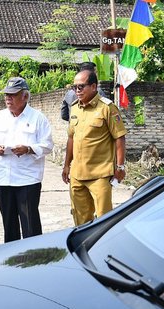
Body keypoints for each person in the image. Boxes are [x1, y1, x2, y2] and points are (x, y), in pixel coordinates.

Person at [0, 77, 53, 243]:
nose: (8, 98)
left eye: (13, 95)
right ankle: (12, 261)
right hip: (3, 178)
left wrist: (28, 149)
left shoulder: (38, 118)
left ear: (25, 97)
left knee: (30, 225)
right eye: (7, 94)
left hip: (27, 179)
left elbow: (48, 145)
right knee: (9, 225)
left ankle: (34, 260)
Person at [62, 69, 127, 226]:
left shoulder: (107, 108)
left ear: (93, 86)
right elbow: (71, 137)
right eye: (74, 87)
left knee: (104, 220)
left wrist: (120, 166)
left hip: (100, 174)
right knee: (80, 219)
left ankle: (103, 250)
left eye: (81, 87)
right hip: (77, 174)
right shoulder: (75, 108)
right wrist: (66, 165)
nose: (77, 91)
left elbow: (119, 137)